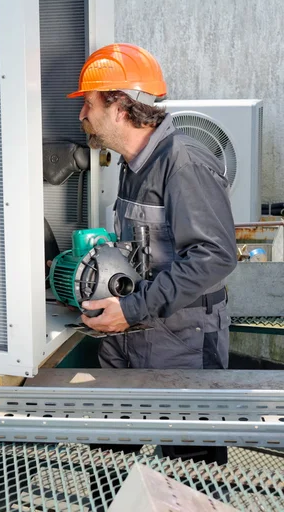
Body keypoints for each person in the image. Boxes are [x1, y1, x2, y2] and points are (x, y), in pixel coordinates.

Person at [67, 43, 237, 464]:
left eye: (88, 103)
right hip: (128, 336)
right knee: (109, 460)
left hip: (182, 342)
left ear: (120, 105)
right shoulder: (133, 164)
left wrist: (133, 307)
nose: (82, 115)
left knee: (190, 470)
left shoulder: (183, 162)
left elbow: (215, 255)